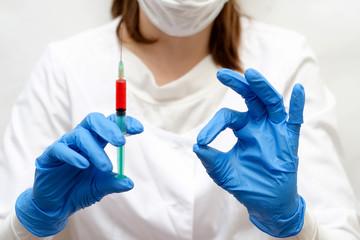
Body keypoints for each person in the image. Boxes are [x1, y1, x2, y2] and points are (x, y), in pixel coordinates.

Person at [0, 0, 359, 239]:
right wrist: (32, 219)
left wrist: (295, 223)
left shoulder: (284, 58)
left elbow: (339, 231)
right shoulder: (66, 65)